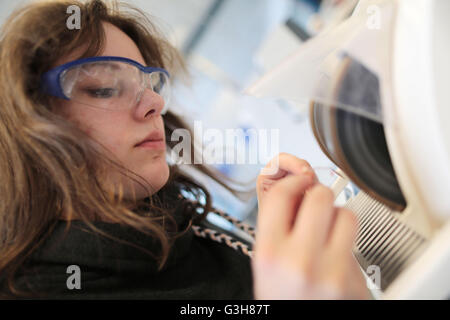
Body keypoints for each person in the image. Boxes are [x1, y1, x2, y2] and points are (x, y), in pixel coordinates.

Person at [0, 0, 368, 299]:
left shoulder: (169, 227)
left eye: (149, 81)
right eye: (104, 87)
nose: (155, 104)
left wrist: (276, 234)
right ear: (27, 126)